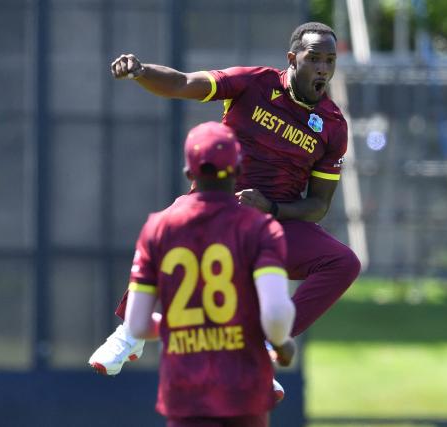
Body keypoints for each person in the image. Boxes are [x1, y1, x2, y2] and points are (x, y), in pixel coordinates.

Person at [89, 22, 361, 397]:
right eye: (314, 58)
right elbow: (184, 83)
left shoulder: (332, 125)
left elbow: (317, 206)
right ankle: (129, 334)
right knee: (167, 226)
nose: (322, 69)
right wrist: (140, 71)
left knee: (343, 263)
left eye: (329, 61)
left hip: (272, 222)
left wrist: (273, 207)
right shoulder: (254, 83)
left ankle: (264, 348)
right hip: (218, 204)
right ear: (292, 59)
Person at [101, 121, 296, 427]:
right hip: (244, 388)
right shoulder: (261, 228)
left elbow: (137, 324)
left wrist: (186, 323)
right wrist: (282, 343)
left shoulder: (157, 228)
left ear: (189, 175)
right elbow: (274, 313)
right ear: (238, 170)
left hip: (186, 391)